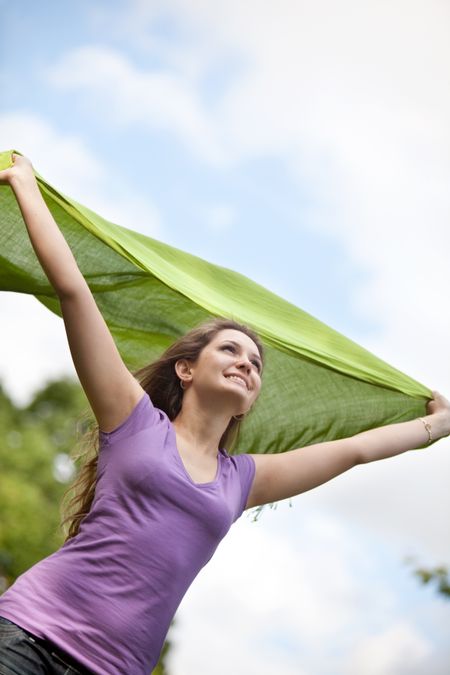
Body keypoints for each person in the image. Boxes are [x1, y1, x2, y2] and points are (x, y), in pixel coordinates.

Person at [0, 153, 449, 675]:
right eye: (230, 351)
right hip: (28, 636)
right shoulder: (134, 420)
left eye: (255, 363)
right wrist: (24, 183)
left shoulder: (242, 480)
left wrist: (437, 424)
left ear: (253, 395)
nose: (246, 363)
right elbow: (76, 293)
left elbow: (355, 450)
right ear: (186, 370)